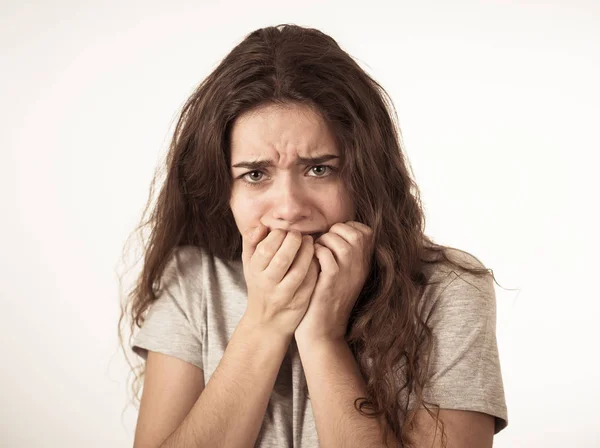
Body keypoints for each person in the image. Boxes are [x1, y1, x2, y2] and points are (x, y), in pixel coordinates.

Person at [118, 23, 508, 448]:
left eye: (319, 169)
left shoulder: (450, 288)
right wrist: (265, 323)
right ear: (222, 188)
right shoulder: (195, 282)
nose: (288, 208)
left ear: (365, 173)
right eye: (254, 174)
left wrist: (322, 338)